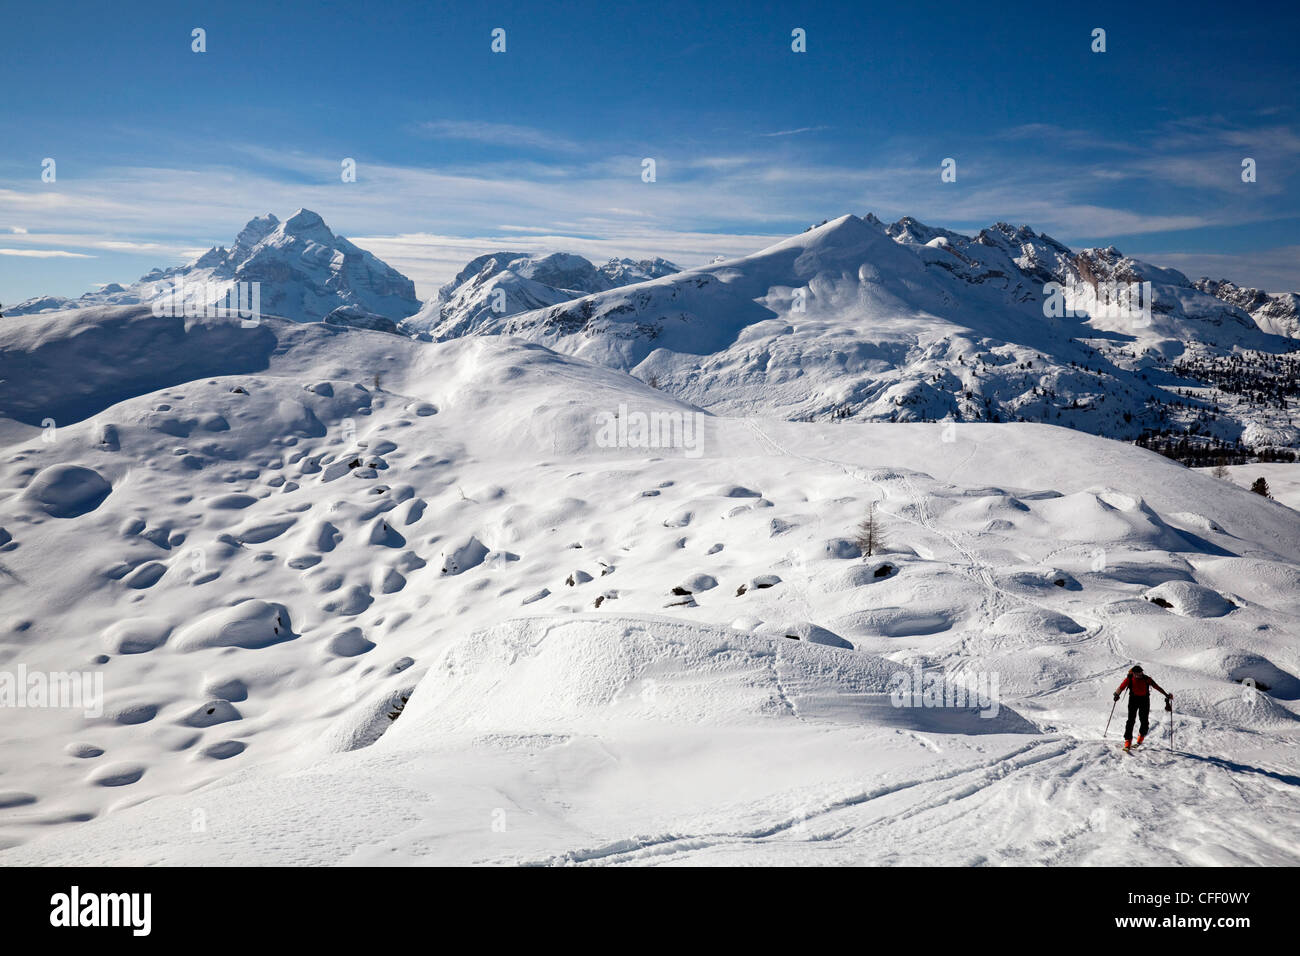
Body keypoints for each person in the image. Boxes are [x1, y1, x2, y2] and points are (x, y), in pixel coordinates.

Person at [1113, 664, 1171, 749]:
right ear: (1133, 673)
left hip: (1144, 700)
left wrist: (1166, 694)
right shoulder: (1129, 679)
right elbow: (1121, 687)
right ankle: (1128, 740)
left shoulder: (1147, 679)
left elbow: (1156, 687)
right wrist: (1117, 695)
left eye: (1141, 673)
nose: (1140, 675)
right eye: (1138, 673)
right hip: (1133, 700)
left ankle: (1140, 737)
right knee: (1131, 720)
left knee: (1144, 721)